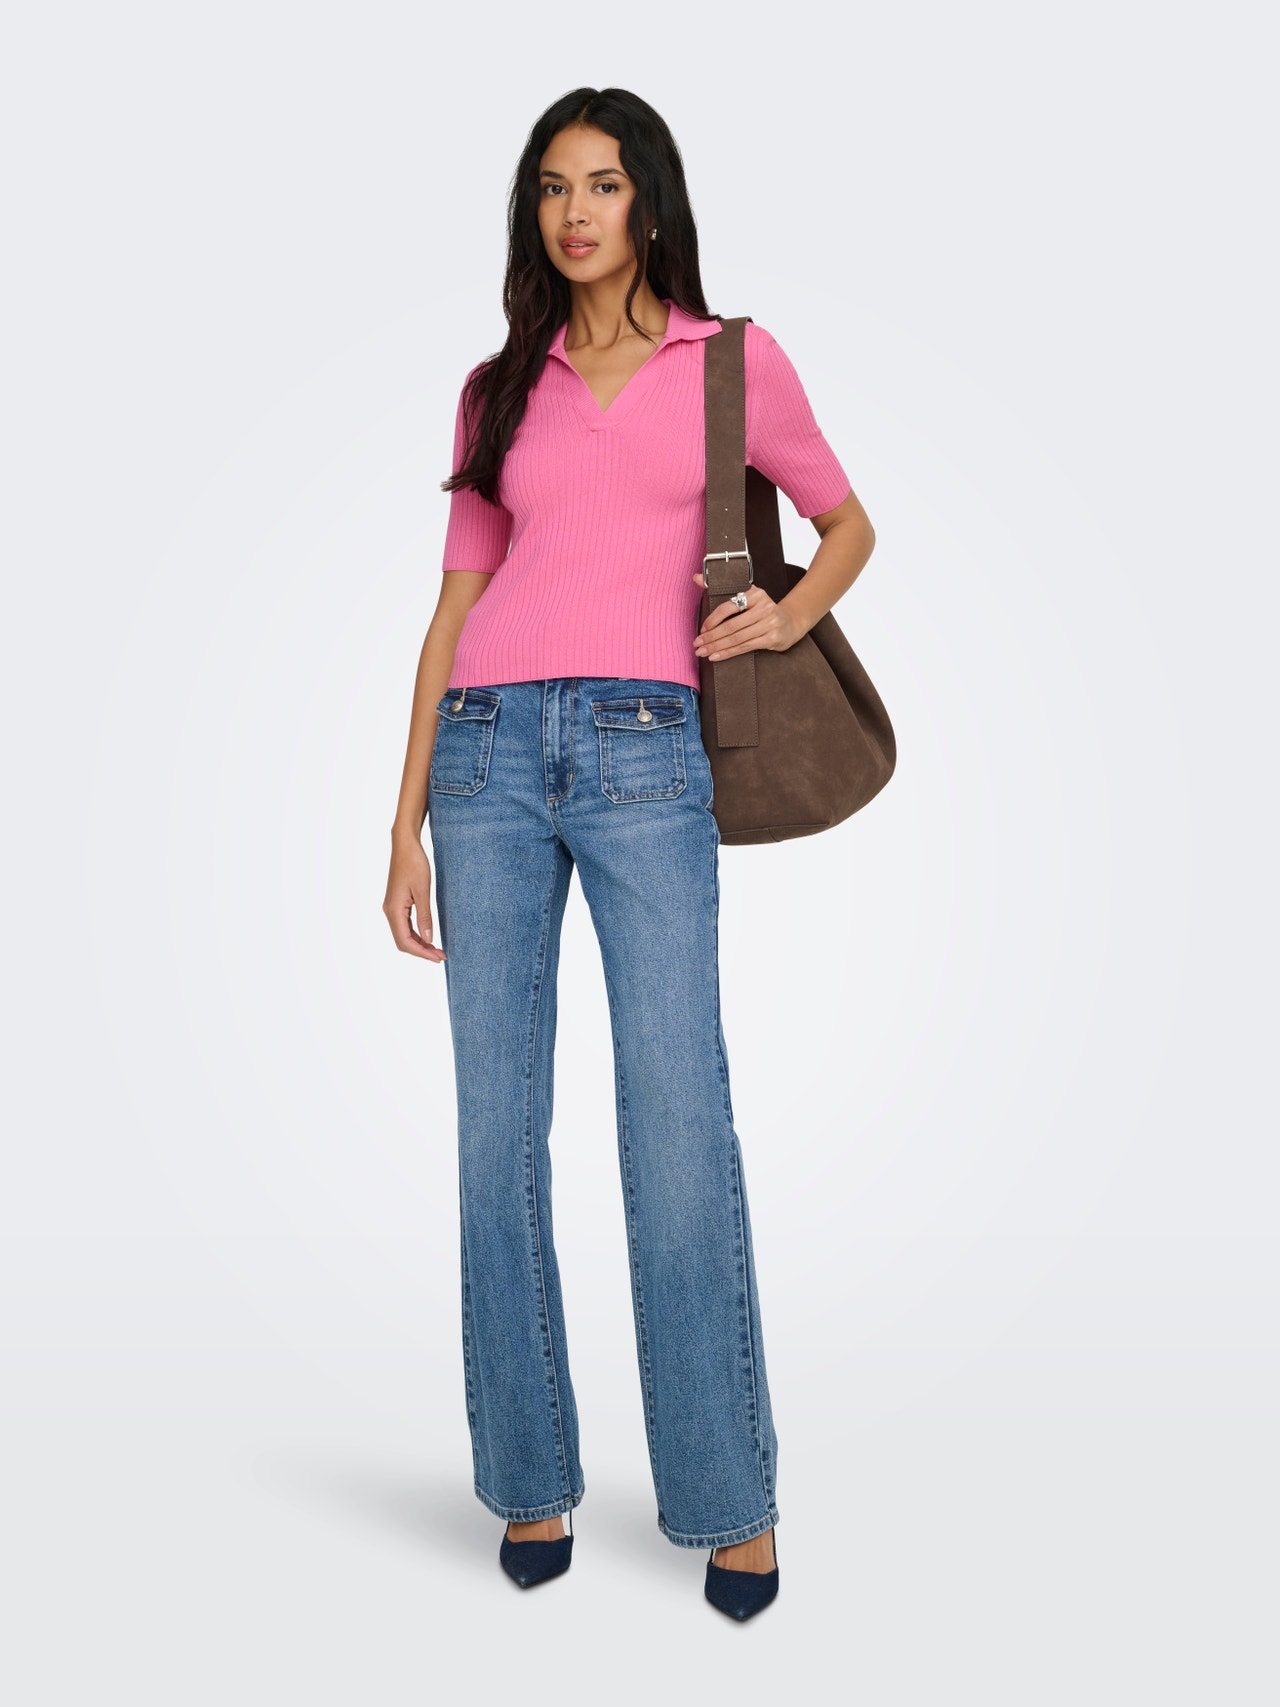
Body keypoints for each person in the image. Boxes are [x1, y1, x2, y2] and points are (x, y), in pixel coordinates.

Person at [383, 86, 875, 1621]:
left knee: (676, 1126)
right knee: (494, 1139)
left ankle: (730, 1501)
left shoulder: (732, 363)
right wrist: (400, 817)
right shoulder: (497, 387)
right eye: (551, 188)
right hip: (483, 760)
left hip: (648, 752)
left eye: (602, 184)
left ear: (648, 203)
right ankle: (528, 1478)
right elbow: (457, 604)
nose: (576, 212)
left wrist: (784, 614)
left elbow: (847, 523)